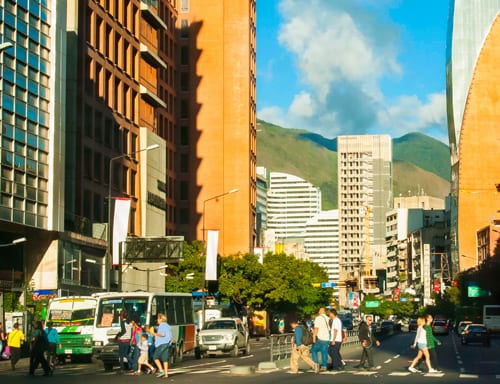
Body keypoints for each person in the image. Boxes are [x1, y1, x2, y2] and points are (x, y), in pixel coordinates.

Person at [152, 313, 172, 378]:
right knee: (165, 359)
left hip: (162, 343)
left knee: (155, 357)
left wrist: (155, 334)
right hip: (167, 343)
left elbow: (162, 334)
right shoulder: (167, 325)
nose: (157, 320)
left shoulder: (162, 325)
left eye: (158, 318)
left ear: (161, 319)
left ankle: (161, 371)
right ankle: (166, 374)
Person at [310, 307, 330, 371]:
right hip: (327, 338)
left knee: (314, 350)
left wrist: (314, 337)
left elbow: (316, 328)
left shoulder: (318, 318)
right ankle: (324, 366)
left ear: (321, 311)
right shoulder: (328, 318)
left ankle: (316, 364)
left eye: (319, 310)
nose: (318, 311)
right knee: (324, 352)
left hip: (319, 338)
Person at [115, 310, 132, 374]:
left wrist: (118, 336)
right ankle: (133, 364)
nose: (120, 317)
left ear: (122, 316)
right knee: (125, 354)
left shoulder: (122, 322)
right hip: (127, 340)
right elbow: (130, 331)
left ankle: (122, 368)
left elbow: (123, 331)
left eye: (120, 316)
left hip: (122, 340)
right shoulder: (129, 322)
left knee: (121, 355)